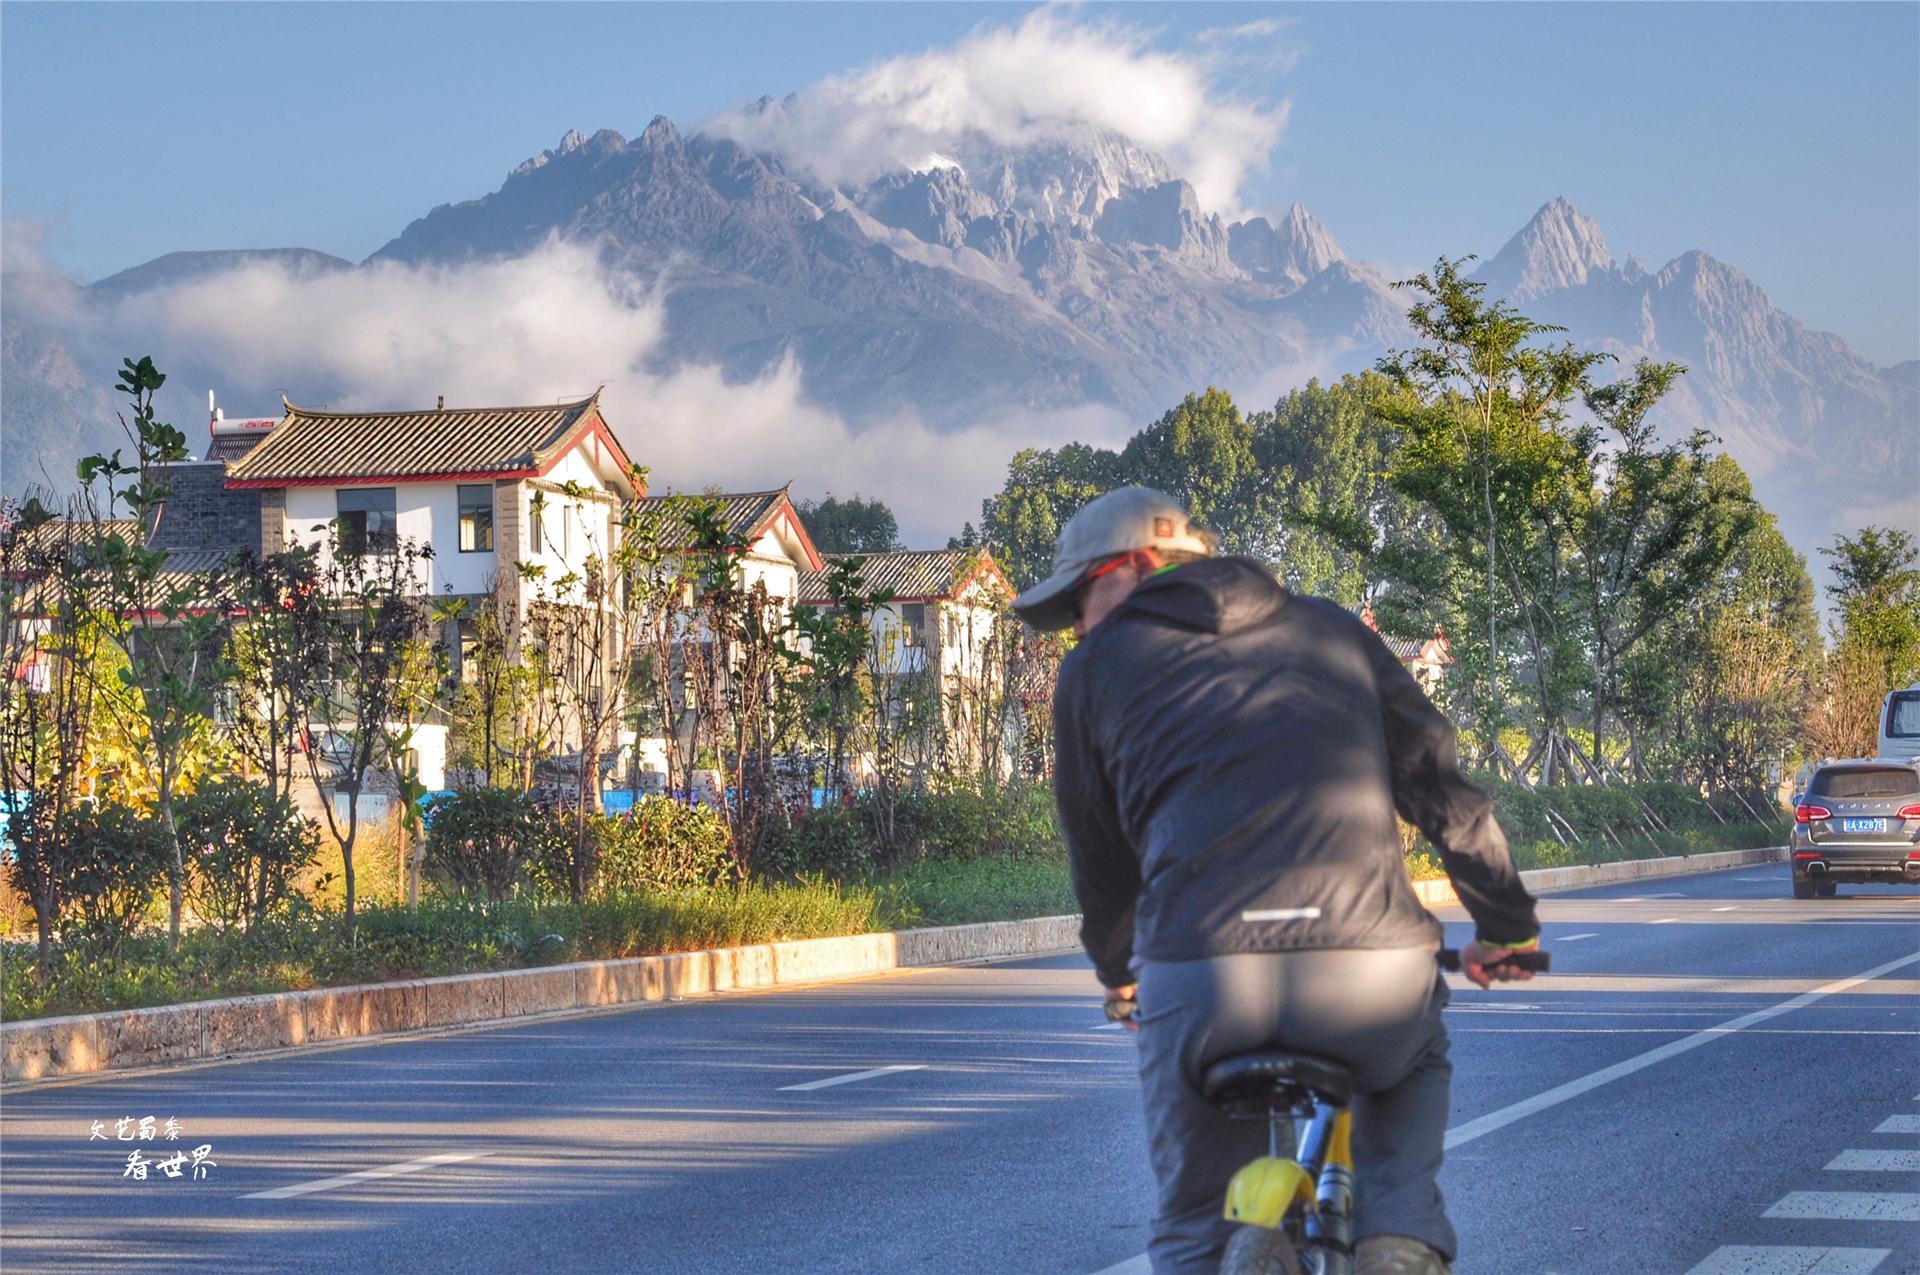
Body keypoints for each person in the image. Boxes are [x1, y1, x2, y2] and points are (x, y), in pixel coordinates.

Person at [1012, 487, 1540, 1275]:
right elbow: (1443, 790)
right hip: (1367, 975)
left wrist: (1125, 976)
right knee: (1412, 1053)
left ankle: (1225, 1250)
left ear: (1131, 566)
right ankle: (1396, 1234)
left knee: (1194, 1226)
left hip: (1203, 980)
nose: (1079, 627)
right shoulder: (1335, 632)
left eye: (1079, 600)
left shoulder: (1093, 670)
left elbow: (1101, 860)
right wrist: (1505, 926)